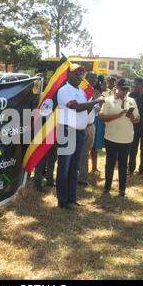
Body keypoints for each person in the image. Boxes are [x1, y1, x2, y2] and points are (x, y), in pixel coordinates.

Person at [56, 64, 103, 210]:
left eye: (81, 74)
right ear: (68, 75)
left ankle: (72, 197)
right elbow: (75, 107)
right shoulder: (64, 90)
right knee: (64, 167)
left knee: (74, 166)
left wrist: (93, 101)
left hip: (79, 132)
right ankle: (62, 200)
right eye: (76, 74)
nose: (79, 77)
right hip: (67, 132)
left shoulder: (81, 92)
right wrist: (96, 101)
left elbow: (86, 107)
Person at [99, 78, 139, 197]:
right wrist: (119, 115)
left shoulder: (132, 101)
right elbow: (102, 117)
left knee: (123, 165)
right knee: (110, 163)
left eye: (127, 89)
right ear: (117, 88)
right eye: (123, 89)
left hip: (126, 138)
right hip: (111, 138)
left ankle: (122, 190)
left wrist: (131, 117)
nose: (125, 91)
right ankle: (107, 188)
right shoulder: (108, 100)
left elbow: (137, 119)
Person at [78, 71, 104, 185]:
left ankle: (83, 179)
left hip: (91, 126)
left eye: (96, 79)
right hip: (79, 126)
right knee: (77, 153)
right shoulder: (80, 91)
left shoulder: (96, 92)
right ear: (85, 78)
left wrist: (99, 104)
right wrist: (95, 101)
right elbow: (83, 110)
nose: (94, 80)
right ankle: (73, 176)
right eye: (91, 78)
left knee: (85, 153)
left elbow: (97, 111)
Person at [91, 75, 108, 173]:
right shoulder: (94, 93)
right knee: (92, 146)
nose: (107, 85)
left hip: (99, 120)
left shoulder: (102, 94)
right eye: (105, 83)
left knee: (95, 146)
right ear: (100, 84)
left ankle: (94, 167)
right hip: (93, 120)